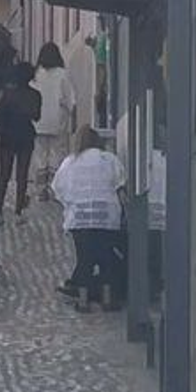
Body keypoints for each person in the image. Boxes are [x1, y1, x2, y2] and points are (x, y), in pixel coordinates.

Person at [52, 125, 125, 308]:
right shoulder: (108, 159)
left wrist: (71, 203)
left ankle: (83, 302)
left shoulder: (70, 162)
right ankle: (108, 300)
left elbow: (58, 188)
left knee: (84, 259)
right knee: (106, 258)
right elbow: (120, 181)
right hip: (106, 217)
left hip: (80, 217)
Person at [0, 62, 42, 223]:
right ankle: (18, 212)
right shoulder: (35, 95)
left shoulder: (8, 94)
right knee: (22, 175)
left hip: (8, 136)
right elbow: (36, 116)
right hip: (26, 136)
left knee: (4, 174)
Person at [33, 42, 76, 201]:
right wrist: (74, 118)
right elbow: (70, 99)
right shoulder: (62, 74)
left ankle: (41, 189)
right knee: (58, 154)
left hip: (38, 121)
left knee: (40, 156)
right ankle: (56, 188)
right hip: (58, 120)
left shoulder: (37, 73)